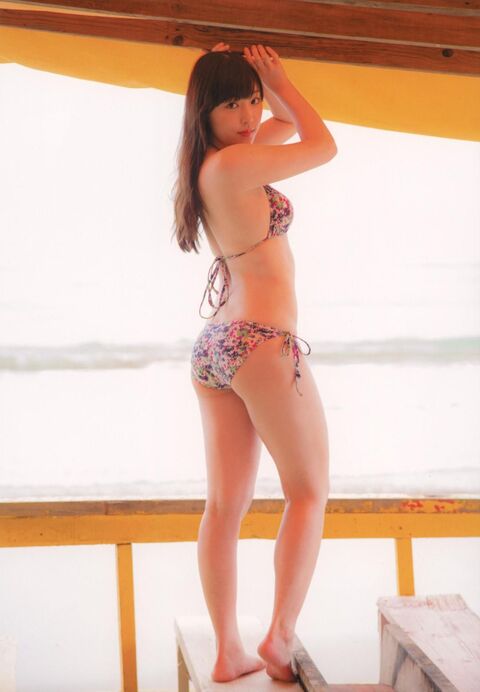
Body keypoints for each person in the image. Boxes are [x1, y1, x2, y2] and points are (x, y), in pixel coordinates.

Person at [171, 41, 336, 684]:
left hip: (216, 347)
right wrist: (280, 78)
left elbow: (285, 127)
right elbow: (321, 144)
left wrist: (249, 79)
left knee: (224, 507)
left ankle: (228, 651)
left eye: (251, 101)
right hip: (260, 341)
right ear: (204, 111)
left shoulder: (210, 165)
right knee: (309, 492)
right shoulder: (236, 164)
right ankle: (280, 636)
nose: (248, 116)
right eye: (232, 105)